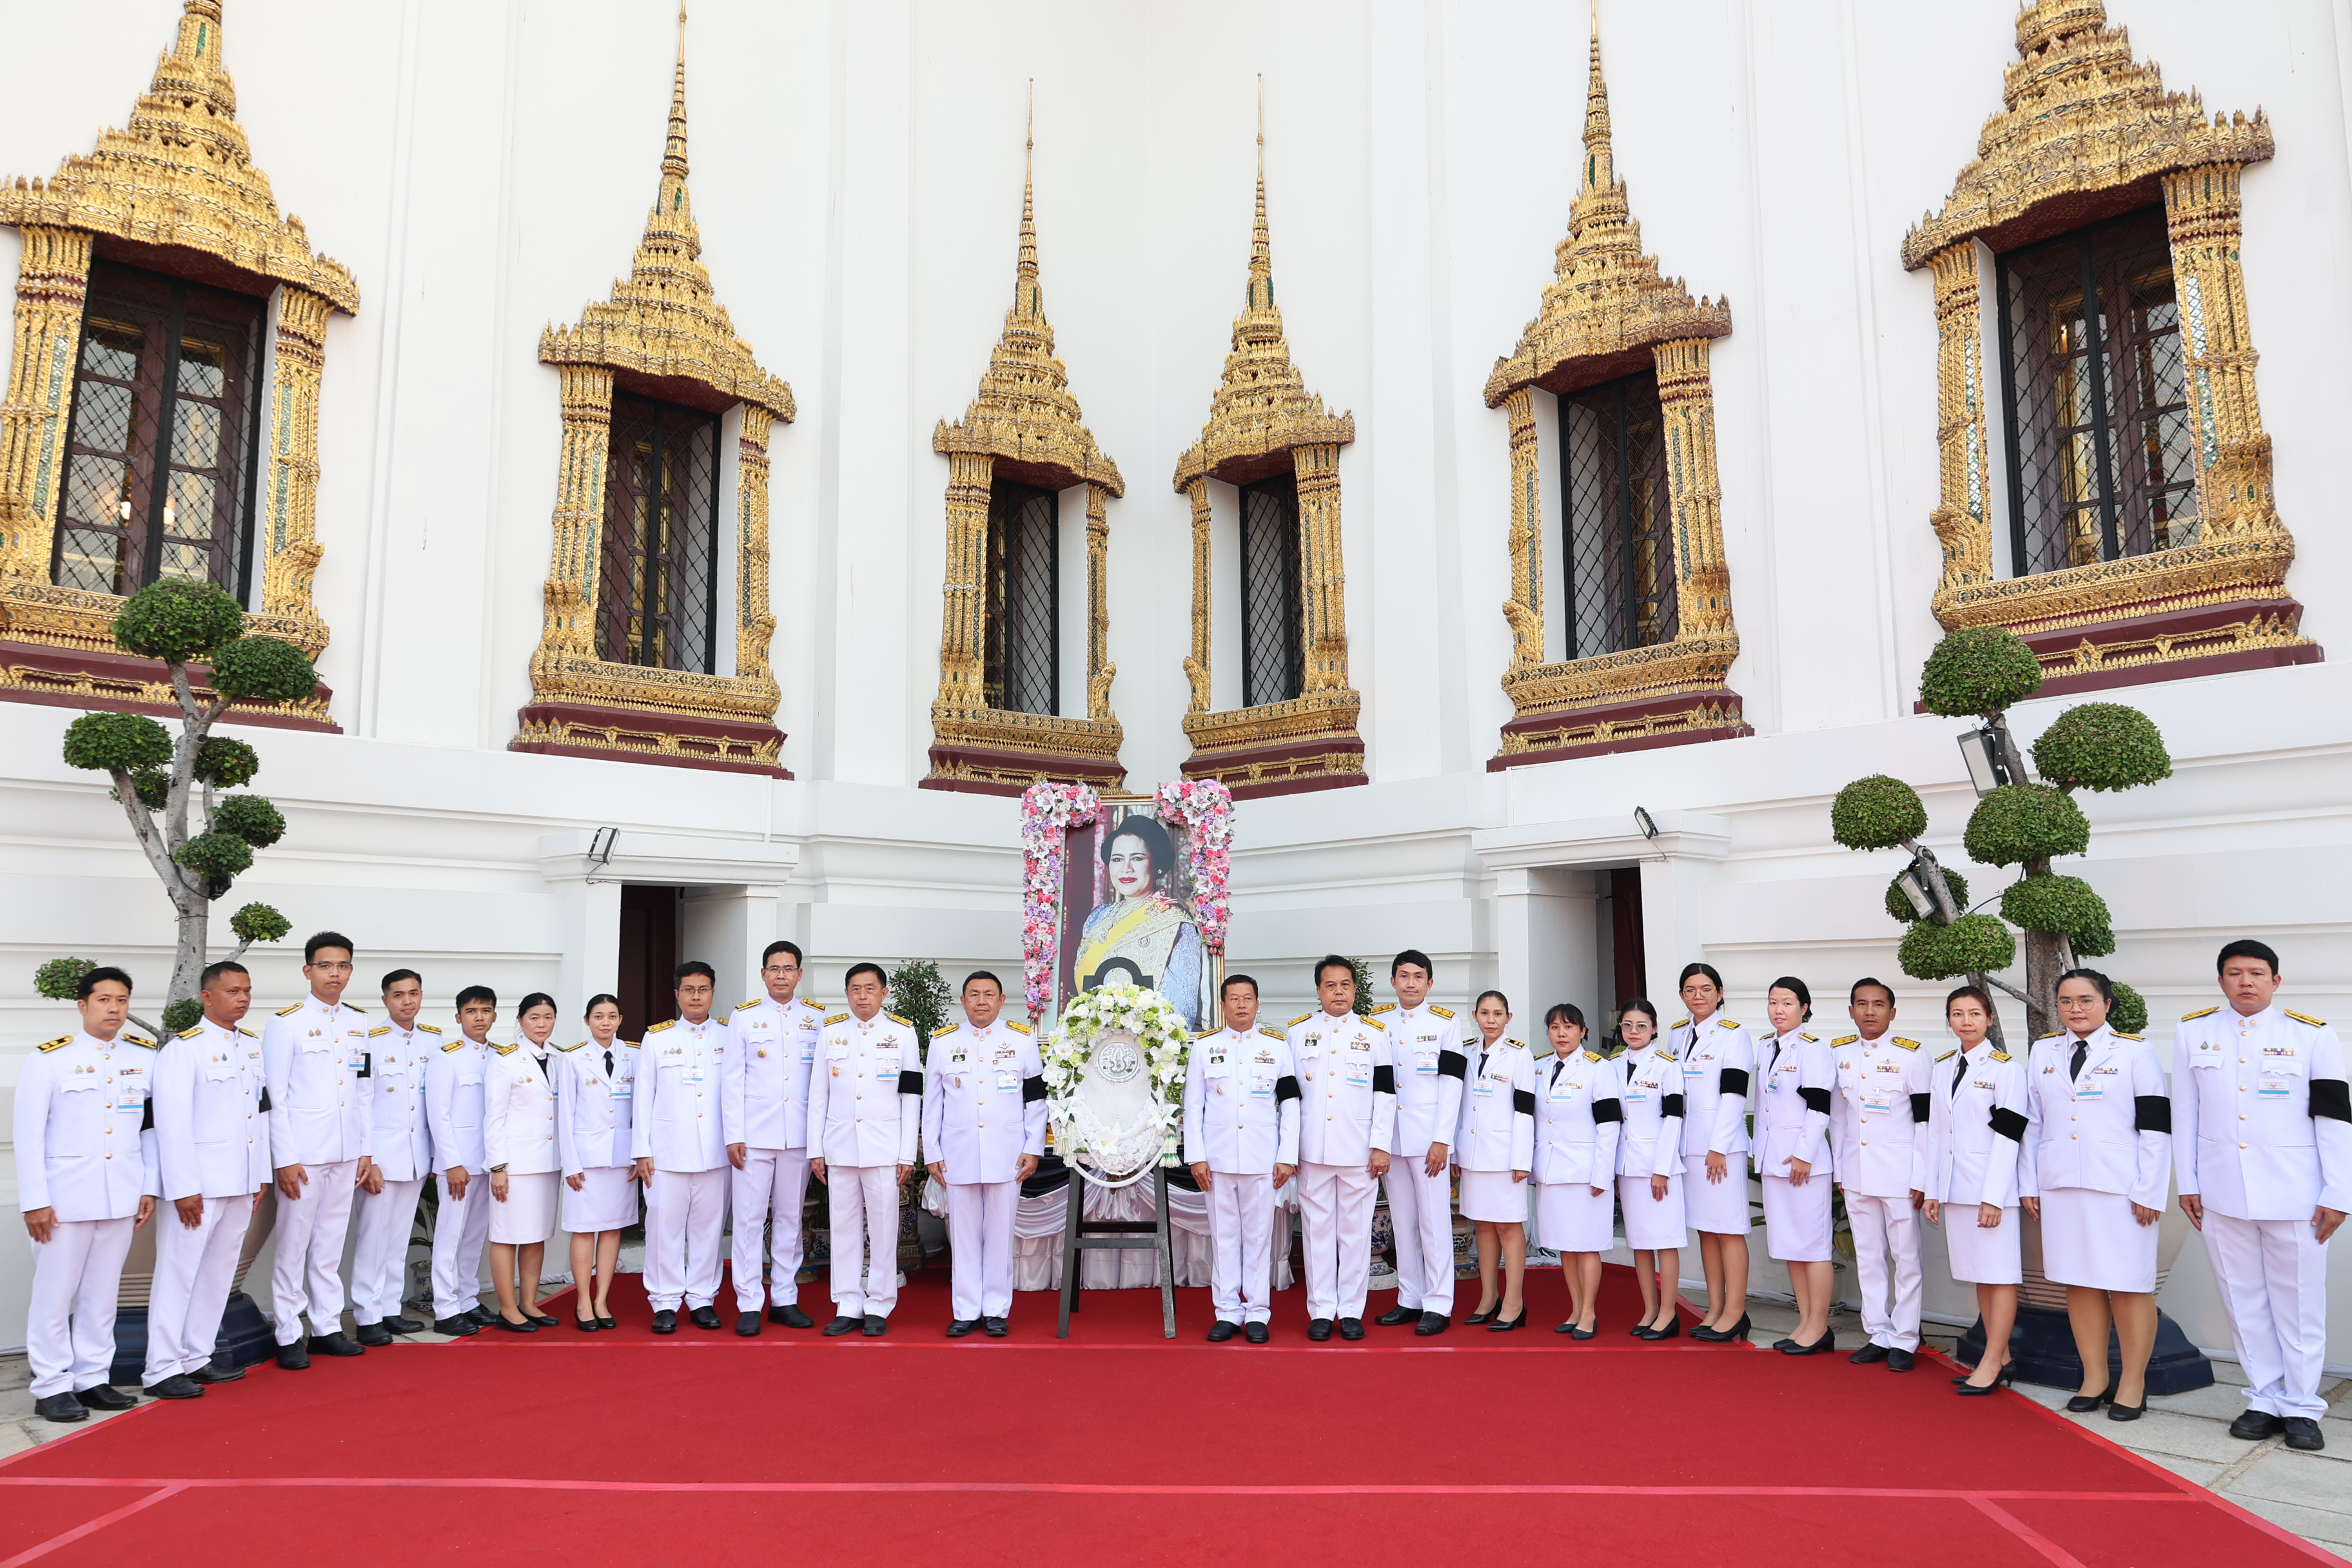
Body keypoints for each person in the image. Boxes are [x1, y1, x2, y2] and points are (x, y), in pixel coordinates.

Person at [2175, 939, 2349, 1451]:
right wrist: (2189, 1182)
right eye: (2234, 973)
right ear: (2222, 981)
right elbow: (2187, 1113)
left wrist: (2338, 1192)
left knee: (2298, 1302)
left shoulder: (2312, 1035)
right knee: (2241, 1296)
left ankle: (2302, 1405)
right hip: (2222, 1189)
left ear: (2276, 981)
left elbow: (2335, 1117)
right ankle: (2263, 1398)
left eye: (2256, 973)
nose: (2245, 981)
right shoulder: (2194, 1031)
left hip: (2297, 1193)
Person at [2023, 967, 2170, 1420]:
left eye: (2086, 1000)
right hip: (2062, 1184)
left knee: (2128, 1285)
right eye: (2066, 1001)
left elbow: (2156, 1125)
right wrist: (2030, 1184)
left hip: (2121, 1188)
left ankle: (2132, 1382)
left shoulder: (2135, 1052)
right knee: (2079, 1282)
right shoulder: (2043, 1050)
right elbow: (2032, 1124)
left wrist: (2150, 1189)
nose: (2075, 1009)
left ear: (2107, 1004)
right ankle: (2094, 1376)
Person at [15, 967, 158, 1422]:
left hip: (119, 1195)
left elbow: (150, 1129)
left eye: (122, 1000)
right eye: (104, 1000)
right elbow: (28, 1136)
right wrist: (35, 1200)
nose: (114, 1009)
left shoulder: (144, 1057)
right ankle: (52, 1384)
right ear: (83, 1005)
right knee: (55, 1295)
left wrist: (148, 1185)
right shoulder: (49, 1060)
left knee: (102, 1294)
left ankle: (92, 1377)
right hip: (63, 1201)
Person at [142, 960, 268, 1398]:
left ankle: (197, 1356)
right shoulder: (185, 1049)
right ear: (206, 997)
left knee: (218, 1274)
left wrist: (261, 1174)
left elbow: (260, 1115)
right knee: (178, 1273)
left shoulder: (251, 1047)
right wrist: (183, 1188)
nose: (242, 998)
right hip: (198, 1186)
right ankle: (161, 1367)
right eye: (232, 991)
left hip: (241, 1181)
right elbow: (170, 1125)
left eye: (247, 991)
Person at [261, 931, 375, 1367]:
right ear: (308, 970)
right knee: (293, 1245)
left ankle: (326, 1327)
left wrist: (366, 1149)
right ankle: (289, 1331)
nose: (335, 973)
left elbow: (363, 1091)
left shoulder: (358, 1022)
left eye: (342, 965)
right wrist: (285, 1159)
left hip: (346, 1150)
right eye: (326, 965)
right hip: (304, 1154)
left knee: (329, 1244)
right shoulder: (286, 1023)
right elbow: (276, 1097)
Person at [924, 971, 1046, 1337]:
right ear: (962, 1001)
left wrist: (1033, 1147)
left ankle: (995, 1309)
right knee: (961, 1234)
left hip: (1007, 1154)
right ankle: (965, 1309)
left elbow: (1036, 1101)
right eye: (973, 994)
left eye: (988, 994)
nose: (981, 1001)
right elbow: (932, 1105)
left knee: (999, 1234)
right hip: (957, 1154)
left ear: (1001, 999)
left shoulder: (1022, 1040)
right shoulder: (943, 1043)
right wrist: (931, 1151)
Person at [1926, 984, 2034, 1395]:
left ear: (1990, 1019)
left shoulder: (2006, 1069)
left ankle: (1991, 1362)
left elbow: (2010, 1136)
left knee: (1999, 1276)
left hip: (1991, 1192)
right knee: (1980, 1277)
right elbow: (1937, 1133)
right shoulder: (1942, 1067)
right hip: (1956, 1190)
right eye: (1957, 1014)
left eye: (1974, 1013)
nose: (1965, 1021)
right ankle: (2000, 1355)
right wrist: (1934, 1190)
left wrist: (1994, 1197)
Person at [807, 962, 922, 1336]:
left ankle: (879, 1304)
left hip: (884, 1149)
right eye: (855, 989)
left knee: (885, 1228)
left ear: (884, 992)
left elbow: (911, 1097)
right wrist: (816, 1149)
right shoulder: (831, 1034)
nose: (862, 996)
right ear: (846, 994)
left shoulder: (903, 1034)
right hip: (840, 1147)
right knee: (843, 1228)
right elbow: (817, 1096)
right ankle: (847, 1302)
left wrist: (907, 1154)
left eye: (869, 989)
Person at [1184, 974, 1299, 1343]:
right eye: (1234, 998)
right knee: (1224, 1236)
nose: (1241, 1005)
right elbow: (1193, 1106)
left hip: (1262, 1159)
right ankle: (1227, 1311)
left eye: (1248, 998)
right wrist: (1196, 1157)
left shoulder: (1278, 1047)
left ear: (1257, 1003)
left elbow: (1291, 1105)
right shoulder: (1204, 1047)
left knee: (1259, 1237)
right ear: (1223, 1005)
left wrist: (1287, 1155)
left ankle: (1258, 1313)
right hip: (1216, 1161)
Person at [1287, 956, 1396, 1342]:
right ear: (1318, 990)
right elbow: (1288, 1097)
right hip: (1312, 1150)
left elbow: (1385, 1092)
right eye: (1330, 985)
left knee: (1355, 1233)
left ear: (1355, 989)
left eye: (1345, 985)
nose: (1338, 992)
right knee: (1317, 1232)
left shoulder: (1374, 1033)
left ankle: (1351, 1310)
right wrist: (1289, 1150)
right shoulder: (1298, 1033)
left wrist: (1381, 1145)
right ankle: (1321, 1309)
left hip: (1359, 1151)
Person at [722, 940, 827, 1335]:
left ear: (800, 974)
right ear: (763, 974)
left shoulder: (817, 1019)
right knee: (749, 1221)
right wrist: (734, 1134)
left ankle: (784, 1298)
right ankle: (749, 1301)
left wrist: (817, 1139)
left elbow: (821, 1085)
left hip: (798, 1136)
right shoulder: (745, 1017)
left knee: (790, 1219)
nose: (781, 975)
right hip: (754, 1136)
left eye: (789, 968)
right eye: (774, 968)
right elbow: (732, 1081)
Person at [1830, 977, 1932, 1372]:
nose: (1869, 1011)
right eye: (1861, 1004)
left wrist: (1920, 1177)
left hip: (1900, 1174)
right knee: (1869, 1257)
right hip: (1856, 1172)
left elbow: (1925, 1122)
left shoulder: (1912, 1056)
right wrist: (1840, 1168)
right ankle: (1878, 1332)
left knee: (1906, 1258)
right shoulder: (1839, 1054)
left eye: (1878, 1004)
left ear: (1892, 1011)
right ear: (1851, 1009)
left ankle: (1905, 1338)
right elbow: (1839, 1119)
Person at [631, 961, 732, 1334]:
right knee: (663, 1230)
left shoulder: (727, 1036)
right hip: (667, 1154)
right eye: (688, 990)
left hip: (715, 1153)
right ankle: (665, 1301)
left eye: (703, 989)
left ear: (713, 993)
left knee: (709, 1230)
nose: (696, 997)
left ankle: (703, 1299)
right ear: (677, 995)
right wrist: (641, 1150)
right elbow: (643, 1099)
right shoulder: (657, 1039)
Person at [1369, 950, 1465, 1336]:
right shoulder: (1376, 1023)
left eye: (1418, 976)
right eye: (1403, 976)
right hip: (1390, 1138)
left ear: (1430, 982)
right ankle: (1409, 1297)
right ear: (1393, 981)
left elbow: (1453, 1085)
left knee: (1434, 1220)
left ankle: (1439, 1302)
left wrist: (1443, 1140)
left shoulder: (1445, 1023)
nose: (1410, 982)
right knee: (1403, 1221)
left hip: (1429, 1141)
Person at [349, 968, 436, 1346]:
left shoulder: (433, 1042)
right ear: (385, 1000)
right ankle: (366, 1317)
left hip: (417, 1156)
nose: (407, 1001)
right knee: (373, 1239)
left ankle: (389, 1310)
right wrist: (369, 1157)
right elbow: (360, 1102)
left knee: (399, 1238)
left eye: (413, 993)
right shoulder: (370, 1042)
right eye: (398, 995)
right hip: (380, 1159)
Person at [1671, 963, 1756, 1344]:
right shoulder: (1676, 1036)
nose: (1698, 996)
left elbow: (1735, 1094)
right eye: (1690, 990)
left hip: (1720, 1149)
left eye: (1706, 989)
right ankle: (1716, 1308)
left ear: (1720, 993)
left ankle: (1736, 1311)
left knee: (1729, 1229)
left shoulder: (1733, 1036)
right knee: (1707, 1229)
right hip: (1689, 1147)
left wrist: (1718, 1146)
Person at [1752, 977, 1836, 1356]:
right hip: (1775, 1160)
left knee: (1813, 1246)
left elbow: (1819, 1107)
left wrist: (1804, 1153)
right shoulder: (1766, 1046)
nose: (1779, 1009)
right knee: (1791, 1246)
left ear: (1804, 1007)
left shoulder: (1812, 1050)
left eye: (1787, 1003)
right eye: (1773, 1002)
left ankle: (1819, 1326)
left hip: (1804, 1163)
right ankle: (1805, 1322)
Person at [1532, 1003, 1619, 1338]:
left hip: (1585, 1172)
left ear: (1583, 1031)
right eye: (1555, 1027)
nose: (1561, 1034)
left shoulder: (1599, 1069)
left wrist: (1602, 1174)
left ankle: (1589, 1312)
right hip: (1551, 1171)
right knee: (1565, 1246)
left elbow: (1610, 1126)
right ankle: (1574, 1308)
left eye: (1569, 1027)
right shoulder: (1540, 1067)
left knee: (1587, 1245)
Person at [1071, 814, 1205, 1030]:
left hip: (1151, 1048)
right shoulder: (1097, 918)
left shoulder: (1176, 923)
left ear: (1157, 864)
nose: (1126, 868)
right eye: (1117, 859)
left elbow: (1181, 1010)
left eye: (1137, 858)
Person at [558, 994, 640, 1331]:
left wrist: (640, 1153)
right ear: (587, 1020)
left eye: (611, 1016)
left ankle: (602, 1300)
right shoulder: (574, 1058)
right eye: (598, 1016)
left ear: (621, 1020)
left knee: (612, 1229)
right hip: (586, 1160)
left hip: (622, 1159)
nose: (605, 1022)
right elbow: (563, 1115)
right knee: (583, 1230)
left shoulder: (634, 1055)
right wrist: (570, 1164)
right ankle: (581, 1300)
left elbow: (642, 1110)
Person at [1454, 991, 1534, 1331]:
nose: (1490, 1020)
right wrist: (1456, 1152)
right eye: (1484, 1013)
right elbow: (1457, 1105)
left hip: (1505, 1158)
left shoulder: (1520, 1055)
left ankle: (1514, 1301)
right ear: (1475, 1015)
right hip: (1472, 1155)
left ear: (1508, 1018)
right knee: (1482, 1226)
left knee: (1508, 1227)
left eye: (1497, 1014)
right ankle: (1489, 1297)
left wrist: (1521, 1159)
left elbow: (1526, 1109)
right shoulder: (1465, 1051)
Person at [484, 993, 562, 1332]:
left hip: (548, 1163)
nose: (541, 1024)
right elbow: (493, 1118)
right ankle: (507, 1307)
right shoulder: (506, 1060)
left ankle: (530, 1303)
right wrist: (498, 1168)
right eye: (534, 1018)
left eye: (547, 1017)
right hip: (515, 1166)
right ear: (520, 1021)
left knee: (535, 1236)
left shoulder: (560, 1057)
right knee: (506, 1235)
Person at [424, 985, 497, 1336]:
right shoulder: (447, 1057)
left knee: (474, 1235)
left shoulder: (500, 1056)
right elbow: (437, 1115)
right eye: (471, 1011)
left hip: (488, 1162)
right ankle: (445, 1308)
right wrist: (451, 1163)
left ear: (495, 1016)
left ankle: (467, 1298)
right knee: (450, 1235)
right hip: (459, 1164)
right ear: (458, 1017)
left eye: (485, 1011)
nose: (479, 1017)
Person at [1614, 999, 1686, 1338]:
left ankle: (1670, 1313)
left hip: (1659, 1167)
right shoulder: (1612, 1065)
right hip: (1627, 1167)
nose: (1634, 1032)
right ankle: (1650, 1310)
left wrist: (1662, 1169)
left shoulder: (1667, 1065)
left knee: (1665, 1240)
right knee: (1640, 1242)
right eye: (1627, 1025)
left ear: (1654, 1029)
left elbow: (1674, 1117)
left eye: (1642, 1026)